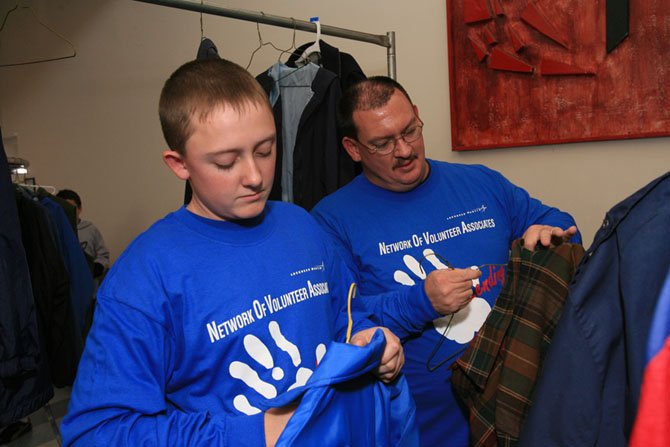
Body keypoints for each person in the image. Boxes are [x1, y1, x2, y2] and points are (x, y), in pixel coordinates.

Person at [59, 59, 406, 446]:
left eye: (265, 150)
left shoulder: (303, 227)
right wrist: (253, 433)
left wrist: (370, 340)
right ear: (179, 164)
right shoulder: (145, 277)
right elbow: (96, 433)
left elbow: (349, 315)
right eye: (226, 162)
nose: (255, 177)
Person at [310, 76, 581, 447]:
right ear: (353, 149)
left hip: (521, 411)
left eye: (410, 131)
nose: (404, 150)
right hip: (423, 431)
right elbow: (340, 324)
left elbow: (562, 225)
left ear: (418, 117)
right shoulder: (330, 221)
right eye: (383, 143)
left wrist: (548, 232)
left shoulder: (481, 183)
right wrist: (421, 302)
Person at [55, 188, 110, 281]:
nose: (68, 212)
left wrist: (97, 267)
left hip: (89, 283)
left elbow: (103, 254)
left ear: (80, 209)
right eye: (64, 209)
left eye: (72, 208)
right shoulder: (53, 230)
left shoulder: (90, 229)